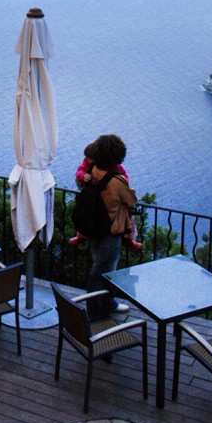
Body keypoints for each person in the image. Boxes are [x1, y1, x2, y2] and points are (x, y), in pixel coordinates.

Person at [80, 133, 138, 320]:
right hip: (110, 230)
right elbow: (131, 200)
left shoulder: (93, 171)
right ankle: (95, 312)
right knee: (103, 271)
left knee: (101, 268)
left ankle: (106, 303)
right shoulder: (117, 180)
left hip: (96, 227)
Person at [68, 139, 142, 250]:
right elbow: (79, 171)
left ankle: (130, 239)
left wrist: (123, 182)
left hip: (99, 199)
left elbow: (125, 176)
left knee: (88, 215)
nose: (89, 161)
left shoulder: (111, 168)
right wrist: (82, 176)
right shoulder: (92, 165)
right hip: (99, 202)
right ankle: (80, 235)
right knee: (88, 215)